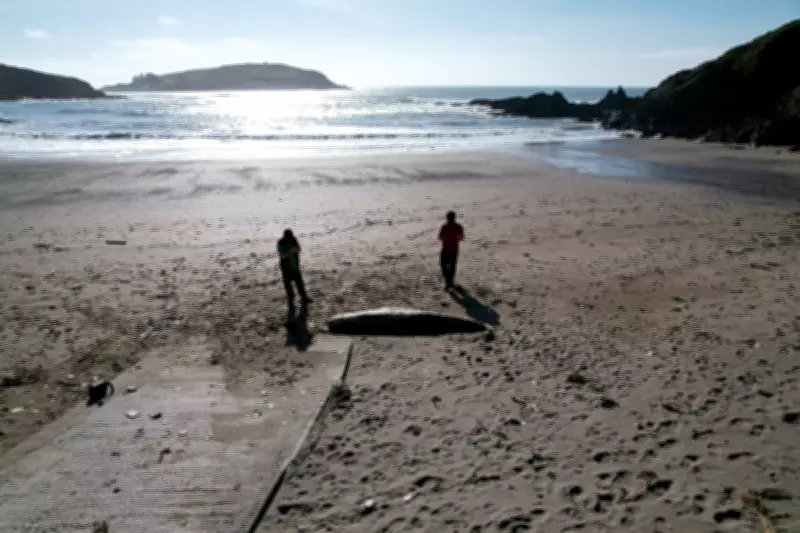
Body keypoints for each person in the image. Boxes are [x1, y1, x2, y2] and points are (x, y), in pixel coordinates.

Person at [277, 229, 312, 307]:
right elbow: (282, 256)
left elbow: (299, 249)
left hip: (295, 266)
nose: (289, 239)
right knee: (288, 286)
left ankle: (304, 297)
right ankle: (291, 302)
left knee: (300, 283)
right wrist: (291, 252)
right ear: (284, 236)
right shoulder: (280, 242)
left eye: (291, 237)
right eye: (288, 237)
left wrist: (297, 249)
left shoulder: (294, 239)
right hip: (286, 268)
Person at [438, 211, 464, 289]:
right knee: (452, 266)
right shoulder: (458, 226)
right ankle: (451, 282)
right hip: (454, 249)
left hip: (445, 249)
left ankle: (447, 282)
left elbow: (440, 237)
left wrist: (447, 239)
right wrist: (455, 240)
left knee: (444, 266)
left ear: (447, 218)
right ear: (454, 217)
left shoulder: (444, 226)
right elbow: (461, 237)